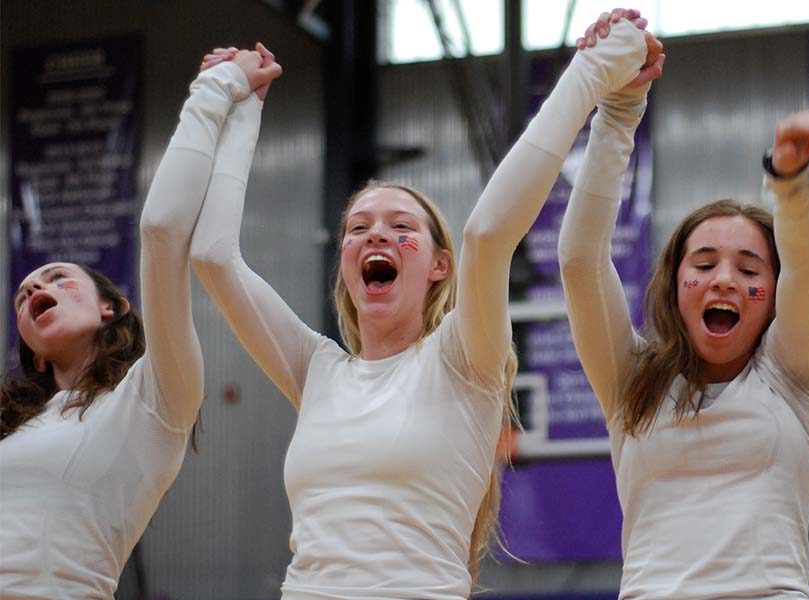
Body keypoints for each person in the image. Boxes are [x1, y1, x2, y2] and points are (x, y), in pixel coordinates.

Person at [189, 13, 663, 599]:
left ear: (439, 265)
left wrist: (595, 78)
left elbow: (488, 235)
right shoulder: (316, 369)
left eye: (399, 226)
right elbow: (212, 256)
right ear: (344, 261)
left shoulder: (464, 355)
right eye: (357, 228)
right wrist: (238, 110)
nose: (375, 236)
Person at [559, 13, 809, 597]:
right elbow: (580, 262)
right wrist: (618, 114)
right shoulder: (630, 381)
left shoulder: (795, 378)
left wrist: (792, 184)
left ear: (773, 297)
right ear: (674, 282)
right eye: (705, 263)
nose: (724, 281)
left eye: (748, 268)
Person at [0, 48, 280, 598]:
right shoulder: (10, 425)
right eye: (23, 294)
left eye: (57, 277)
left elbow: (162, 230)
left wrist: (227, 92)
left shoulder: (154, 398)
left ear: (113, 307)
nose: (36, 288)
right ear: (31, 352)